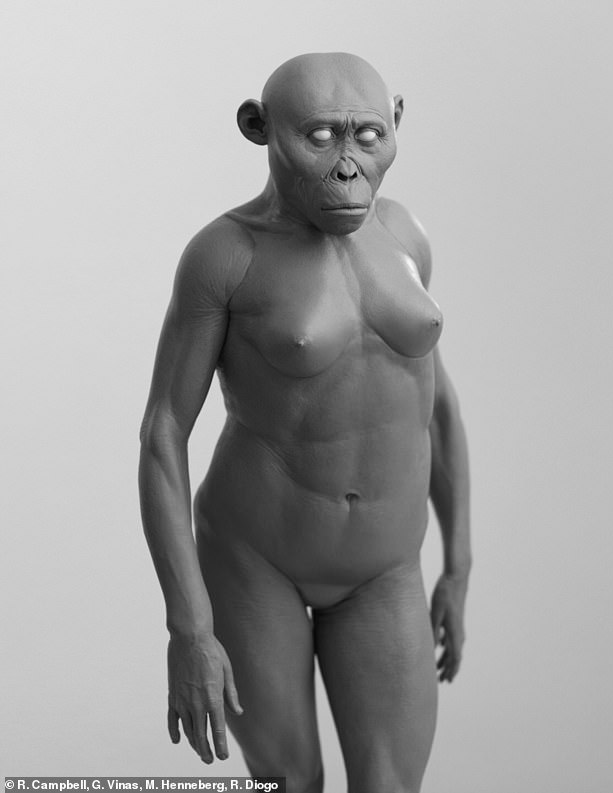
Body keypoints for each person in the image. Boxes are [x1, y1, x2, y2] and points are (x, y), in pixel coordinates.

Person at [139, 52, 471, 793]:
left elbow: (438, 403)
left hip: (385, 568)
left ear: (397, 123)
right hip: (256, 561)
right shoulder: (225, 255)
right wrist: (189, 626)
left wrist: (459, 563)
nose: (348, 165)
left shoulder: (405, 235)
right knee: (290, 783)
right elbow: (162, 433)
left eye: (368, 137)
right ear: (259, 128)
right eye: (320, 137)